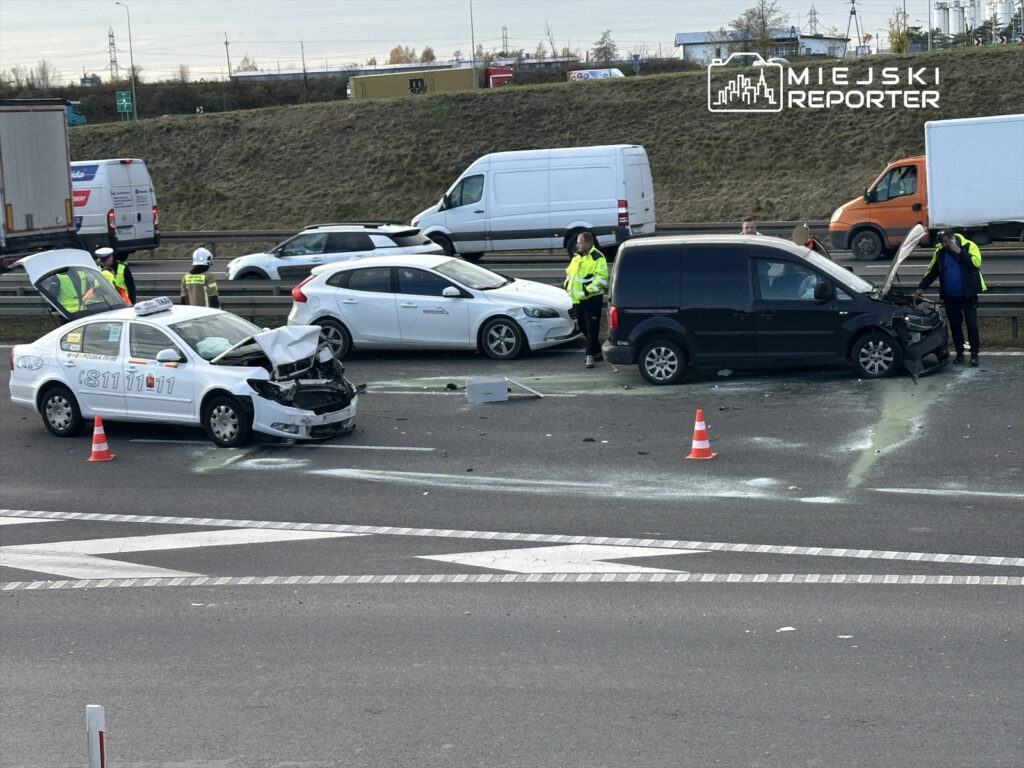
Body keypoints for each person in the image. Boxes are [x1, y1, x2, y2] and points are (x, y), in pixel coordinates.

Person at [914, 229, 986, 366]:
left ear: (953, 239)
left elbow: (976, 263)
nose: (946, 245)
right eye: (943, 243)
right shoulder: (940, 253)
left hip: (968, 295)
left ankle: (974, 354)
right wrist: (921, 287)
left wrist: (959, 251)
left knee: (971, 324)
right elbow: (932, 272)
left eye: (948, 241)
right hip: (950, 296)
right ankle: (959, 353)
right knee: (955, 325)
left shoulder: (969, 246)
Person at [564, 231, 608, 368]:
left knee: (591, 328)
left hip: (592, 299)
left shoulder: (597, 258)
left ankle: (589, 356)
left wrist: (586, 290)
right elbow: (569, 273)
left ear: (588, 243)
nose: (577, 246)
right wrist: (566, 284)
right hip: (578, 299)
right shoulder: (577, 258)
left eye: (580, 243)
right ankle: (597, 352)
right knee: (583, 326)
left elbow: (601, 280)